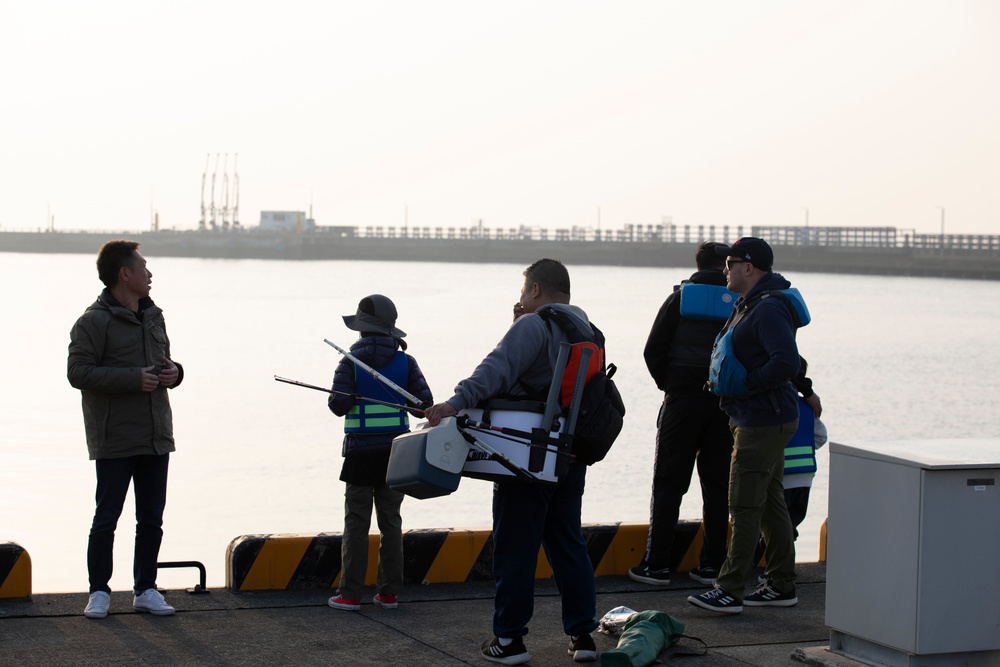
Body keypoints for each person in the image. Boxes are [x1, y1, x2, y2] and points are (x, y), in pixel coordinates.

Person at [424, 259, 599, 665]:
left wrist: (454, 403)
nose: (521, 298)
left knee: (515, 548)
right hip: (568, 453)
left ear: (535, 289)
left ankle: (510, 641)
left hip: (523, 456)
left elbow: (496, 370)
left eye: (523, 291)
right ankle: (583, 636)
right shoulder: (587, 331)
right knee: (567, 543)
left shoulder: (533, 326)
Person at [687, 237, 803, 615]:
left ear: (748, 268)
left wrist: (750, 385)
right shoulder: (752, 303)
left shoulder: (767, 309)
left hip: (761, 420)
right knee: (770, 503)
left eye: (731, 263)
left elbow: (787, 362)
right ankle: (782, 584)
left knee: (743, 505)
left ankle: (730, 589)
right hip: (760, 417)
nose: (725, 270)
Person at [67, 240, 182, 619]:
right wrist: (132, 379)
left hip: (155, 434)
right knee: (107, 517)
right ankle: (99, 591)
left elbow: (167, 365)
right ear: (124, 273)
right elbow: (78, 373)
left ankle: (145, 589)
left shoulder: (154, 316)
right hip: (115, 435)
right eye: (143, 267)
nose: (150, 274)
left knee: (151, 518)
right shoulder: (92, 321)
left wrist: (175, 373)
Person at [629, 242, 734, 587]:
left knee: (669, 483)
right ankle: (712, 566)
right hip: (724, 405)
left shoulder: (679, 299)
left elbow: (652, 350)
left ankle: (656, 565)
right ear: (725, 267)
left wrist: (671, 385)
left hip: (682, 401)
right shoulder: (740, 303)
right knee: (717, 486)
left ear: (698, 264)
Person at [326, 295, 433, 612]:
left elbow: (337, 406)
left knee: (356, 524)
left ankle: (350, 594)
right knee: (391, 522)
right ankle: (388, 593)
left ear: (361, 330)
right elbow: (422, 407)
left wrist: (355, 395)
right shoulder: (407, 362)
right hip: (395, 455)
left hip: (360, 454)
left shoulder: (349, 362)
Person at [753, 357, 825, 574]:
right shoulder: (807, 408)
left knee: (773, 525)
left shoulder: (771, 406)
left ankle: (761, 565)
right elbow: (820, 437)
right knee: (791, 523)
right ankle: (785, 566)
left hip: (779, 477)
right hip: (804, 476)